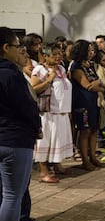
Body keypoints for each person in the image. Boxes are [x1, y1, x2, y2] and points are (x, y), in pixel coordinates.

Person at [0, 27, 41, 221]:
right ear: (6, 48)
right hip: (14, 140)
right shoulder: (10, 74)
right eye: (17, 47)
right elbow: (26, 106)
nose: (20, 51)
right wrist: (37, 128)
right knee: (12, 197)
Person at [31, 43, 73, 183]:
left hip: (62, 112)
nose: (58, 56)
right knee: (46, 141)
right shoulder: (40, 69)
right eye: (54, 54)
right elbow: (33, 89)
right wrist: (49, 79)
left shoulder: (61, 68)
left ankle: (57, 165)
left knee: (59, 140)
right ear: (45, 56)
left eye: (59, 53)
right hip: (48, 114)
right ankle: (43, 172)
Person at [70, 40, 105, 171]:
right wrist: (99, 86)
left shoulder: (90, 65)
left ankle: (93, 157)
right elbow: (87, 85)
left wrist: (98, 85)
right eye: (89, 50)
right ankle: (85, 160)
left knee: (94, 129)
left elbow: (97, 84)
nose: (92, 53)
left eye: (93, 50)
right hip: (82, 103)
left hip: (93, 102)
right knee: (84, 131)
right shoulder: (76, 66)